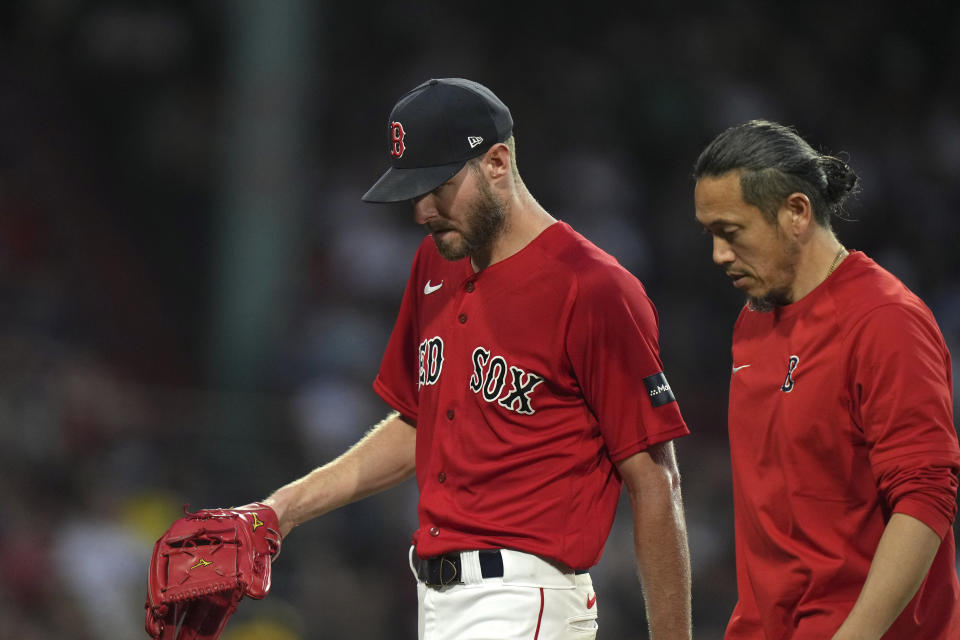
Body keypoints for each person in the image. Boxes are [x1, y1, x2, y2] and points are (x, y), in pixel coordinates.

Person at [261, 78, 693, 639]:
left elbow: (656, 481)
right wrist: (281, 509)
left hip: (526, 596)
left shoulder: (593, 288)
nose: (421, 210)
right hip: (437, 601)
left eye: (436, 186)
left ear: (496, 161)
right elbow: (421, 423)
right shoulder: (435, 263)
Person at [693, 119, 960, 639]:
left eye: (731, 232)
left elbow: (925, 498)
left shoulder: (885, 319)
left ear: (796, 211)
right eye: (711, 235)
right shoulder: (752, 322)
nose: (719, 255)